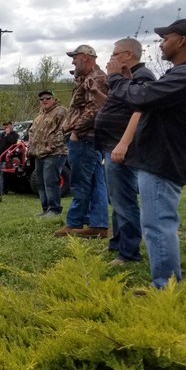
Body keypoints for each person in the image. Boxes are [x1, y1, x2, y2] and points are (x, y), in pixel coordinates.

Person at [107, 18, 186, 289]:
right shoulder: (181, 73)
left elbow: (142, 98)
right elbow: (145, 95)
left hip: (164, 159)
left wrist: (115, 78)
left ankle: (165, 288)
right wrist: (127, 80)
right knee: (155, 222)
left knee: (157, 224)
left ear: (182, 41)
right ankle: (165, 283)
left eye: (166, 38)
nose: (161, 43)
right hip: (158, 157)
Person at [94, 38, 156, 266]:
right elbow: (119, 104)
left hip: (121, 148)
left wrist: (124, 143)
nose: (110, 59)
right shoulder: (126, 78)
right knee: (117, 199)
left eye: (114, 53)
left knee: (125, 200)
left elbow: (141, 110)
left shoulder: (143, 76)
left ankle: (129, 253)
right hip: (111, 145)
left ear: (128, 55)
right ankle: (117, 244)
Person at [55, 44, 110, 238]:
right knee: (96, 182)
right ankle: (99, 225)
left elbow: (95, 109)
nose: (72, 61)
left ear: (85, 57)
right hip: (88, 138)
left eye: (75, 57)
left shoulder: (97, 78)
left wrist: (76, 132)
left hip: (85, 138)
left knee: (80, 182)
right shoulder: (89, 78)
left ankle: (75, 222)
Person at [27, 90, 68, 217]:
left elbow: (63, 131)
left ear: (54, 99)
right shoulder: (39, 116)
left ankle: (54, 209)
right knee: (40, 182)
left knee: (50, 181)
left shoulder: (61, 112)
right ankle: (45, 208)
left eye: (47, 98)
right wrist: (30, 148)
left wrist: (51, 146)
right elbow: (32, 132)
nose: (44, 100)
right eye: (41, 99)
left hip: (55, 152)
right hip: (39, 153)